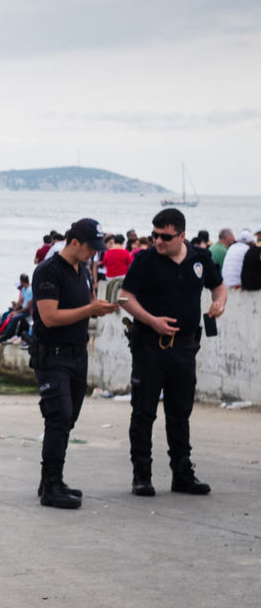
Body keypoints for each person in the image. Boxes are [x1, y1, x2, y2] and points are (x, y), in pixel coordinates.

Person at [120, 208, 228, 496]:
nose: (158, 241)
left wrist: (219, 303)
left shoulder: (199, 258)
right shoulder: (145, 260)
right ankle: (142, 475)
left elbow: (219, 287)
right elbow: (125, 297)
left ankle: (182, 474)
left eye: (165, 237)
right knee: (143, 413)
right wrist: (151, 320)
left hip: (184, 348)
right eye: (155, 235)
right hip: (150, 347)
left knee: (180, 413)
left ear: (182, 235)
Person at [29, 218, 119, 509]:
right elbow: (49, 317)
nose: (94, 253)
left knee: (69, 418)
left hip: (77, 353)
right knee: (59, 415)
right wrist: (90, 309)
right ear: (74, 242)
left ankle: (51, 478)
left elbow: (84, 305)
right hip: (52, 354)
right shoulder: (48, 271)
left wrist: (99, 309)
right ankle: (51, 486)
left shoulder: (83, 270)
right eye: (90, 247)